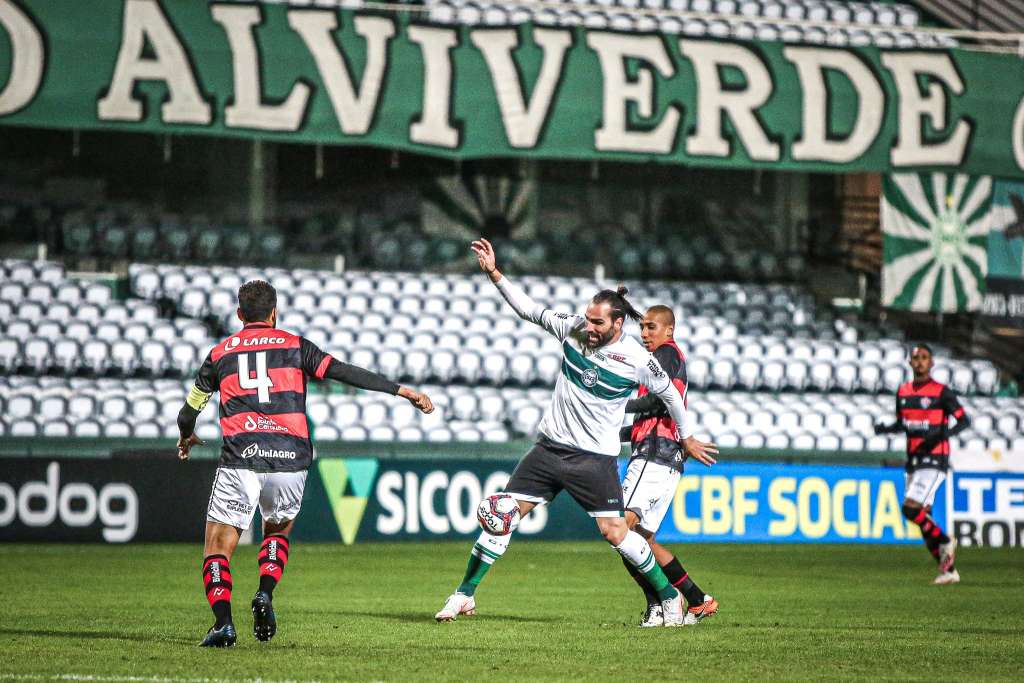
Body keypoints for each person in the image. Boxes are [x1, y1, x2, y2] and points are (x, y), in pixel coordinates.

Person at [434, 239, 717, 626]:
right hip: (548, 450)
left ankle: (669, 597)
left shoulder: (638, 358)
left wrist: (685, 436)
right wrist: (495, 274)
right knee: (502, 516)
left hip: (593, 460)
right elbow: (529, 310)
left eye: (599, 321)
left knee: (616, 532)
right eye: (588, 318)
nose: (591, 326)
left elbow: (670, 394)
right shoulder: (572, 329)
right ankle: (463, 595)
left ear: (618, 323)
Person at [177, 280, 434, 647]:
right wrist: (402, 390)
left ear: (239, 315)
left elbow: (188, 412)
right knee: (277, 532)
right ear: (274, 313)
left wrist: (186, 435)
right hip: (290, 458)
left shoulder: (219, 354)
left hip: (240, 458)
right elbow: (344, 371)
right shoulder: (295, 345)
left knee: (217, 548)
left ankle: (223, 623)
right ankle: (265, 592)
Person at [620, 305, 718, 627]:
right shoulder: (665, 358)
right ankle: (697, 598)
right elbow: (652, 414)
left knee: (620, 530)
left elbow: (658, 402)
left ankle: (660, 602)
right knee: (643, 540)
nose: (644, 333)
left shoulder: (666, 355)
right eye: (642, 327)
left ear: (668, 330)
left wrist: (616, 403)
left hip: (654, 455)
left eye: (650, 327)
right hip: (666, 457)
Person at [874, 343, 970, 585]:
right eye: (916, 357)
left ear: (931, 362)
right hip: (914, 461)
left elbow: (963, 420)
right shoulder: (904, 392)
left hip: (935, 459)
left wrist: (942, 435)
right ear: (910, 362)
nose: (919, 362)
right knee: (921, 517)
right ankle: (948, 571)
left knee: (910, 508)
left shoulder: (941, 393)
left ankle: (946, 541)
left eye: (924, 357)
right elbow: (903, 424)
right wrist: (885, 429)